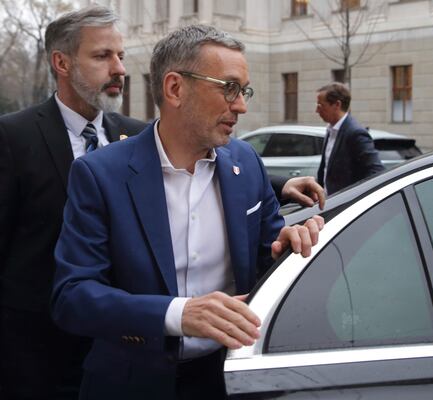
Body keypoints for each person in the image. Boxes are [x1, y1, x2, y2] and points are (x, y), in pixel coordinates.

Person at [51, 24, 323, 400]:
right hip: (132, 382)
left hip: (230, 378)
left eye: (243, 91)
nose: (241, 105)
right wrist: (178, 314)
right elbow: (73, 297)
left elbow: (268, 251)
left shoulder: (246, 162)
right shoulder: (100, 174)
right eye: (228, 88)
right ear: (175, 88)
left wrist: (291, 244)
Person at [0, 5, 147, 399]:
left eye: (121, 56)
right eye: (103, 56)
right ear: (61, 62)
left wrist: (280, 187)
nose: (119, 69)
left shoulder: (138, 137)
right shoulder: (13, 137)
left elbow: (198, 165)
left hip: (122, 351)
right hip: (34, 358)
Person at [315, 82, 384, 195]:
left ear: (337, 105)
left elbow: (376, 171)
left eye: (320, 105)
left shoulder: (355, 133)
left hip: (346, 207)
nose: (317, 111)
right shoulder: (331, 130)